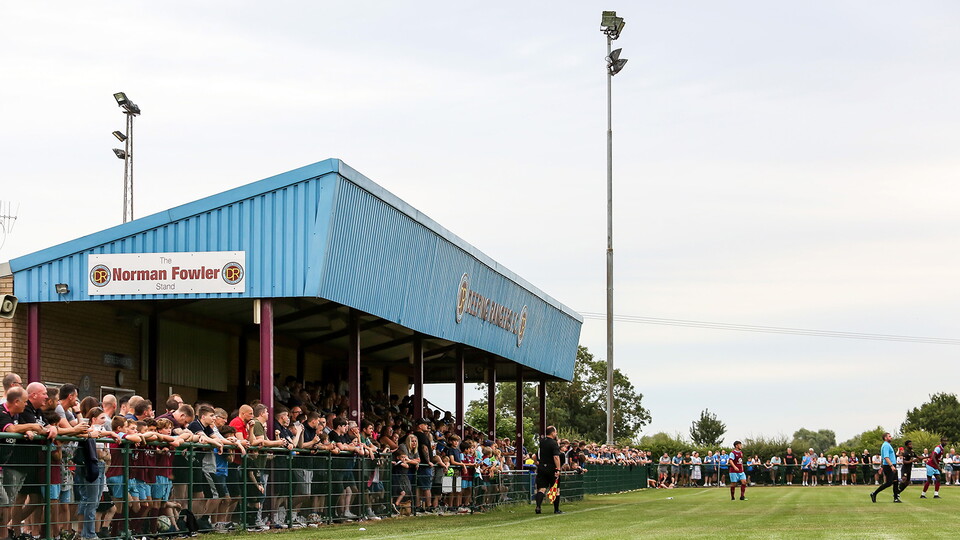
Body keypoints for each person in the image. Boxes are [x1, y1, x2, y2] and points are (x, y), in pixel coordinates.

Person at [534, 426, 561, 515]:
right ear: (552, 433)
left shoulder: (542, 442)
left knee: (541, 488)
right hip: (551, 467)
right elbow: (556, 457)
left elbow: (536, 455)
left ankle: (538, 506)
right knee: (555, 488)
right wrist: (558, 469)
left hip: (542, 467)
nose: (556, 434)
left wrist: (538, 463)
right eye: (555, 432)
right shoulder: (554, 443)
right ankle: (556, 509)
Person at [870, 432, 901, 503]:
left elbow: (883, 457)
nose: (891, 437)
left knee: (896, 481)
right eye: (889, 436)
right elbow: (886, 457)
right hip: (889, 466)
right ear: (885, 438)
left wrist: (881, 466)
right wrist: (891, 466)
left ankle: (896, 498)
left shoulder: (888, 445)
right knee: (889, 483)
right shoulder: (886, 445)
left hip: (891, 465)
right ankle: (874, 493)